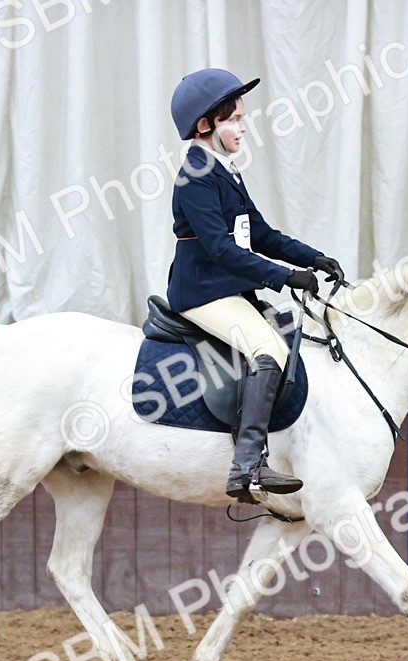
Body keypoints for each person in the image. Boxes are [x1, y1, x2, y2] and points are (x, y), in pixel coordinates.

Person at [167, 68, 345, 501]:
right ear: (205, 125)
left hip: (227, 287)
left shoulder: (225, 170)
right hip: (202, 291)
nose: (244, 127)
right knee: (268, 350)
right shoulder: (196, 176)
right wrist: (284, 277)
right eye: (235, 120)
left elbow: (260, 234)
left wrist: (312, 258)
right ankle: (246, 467)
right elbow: (220, 250)